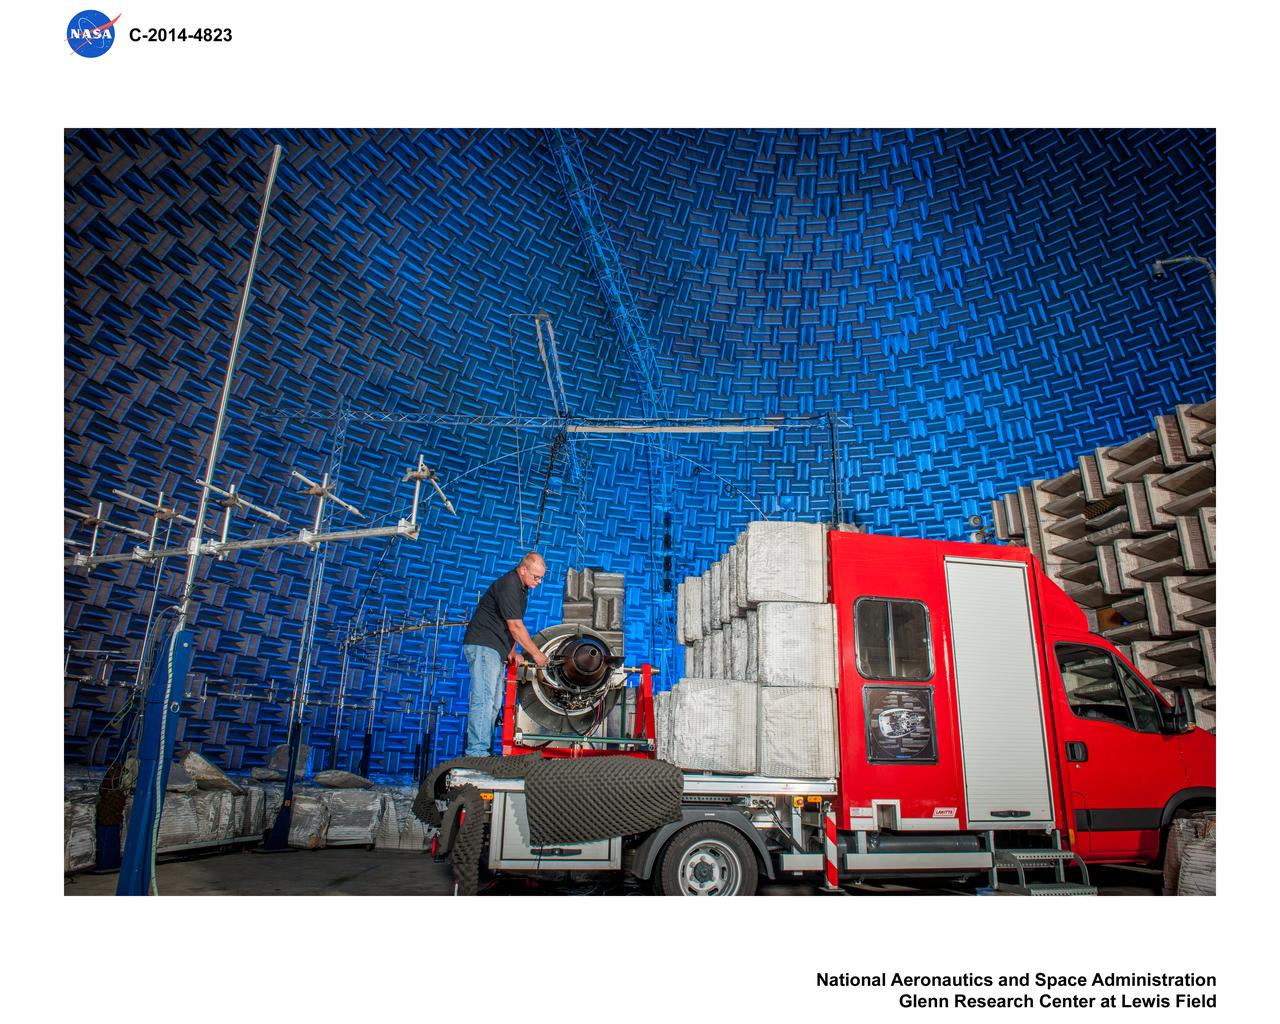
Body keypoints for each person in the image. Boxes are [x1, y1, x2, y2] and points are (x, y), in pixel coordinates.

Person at [462, 552, 550, 757]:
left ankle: (484, 751)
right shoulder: (510, 584)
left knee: (493, 704)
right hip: (484, 646)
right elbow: (516, 627)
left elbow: (503, 621)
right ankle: (476, 753)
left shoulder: (521, 589)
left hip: (495, 647)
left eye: (541, 578)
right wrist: (537, 655)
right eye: (536, 577)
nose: (539, 581)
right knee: (484, 700)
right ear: (523, 570)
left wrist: (512, 651)